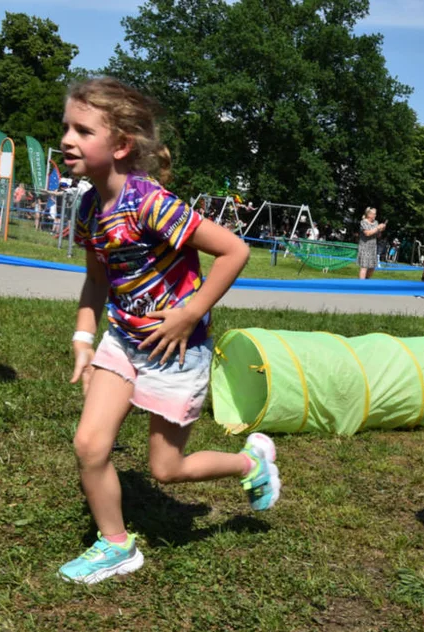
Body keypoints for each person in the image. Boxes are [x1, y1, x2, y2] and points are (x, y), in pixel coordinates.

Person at [58, 77, 280, 584]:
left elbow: (234, 251)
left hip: (178, 351)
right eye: (66, 127)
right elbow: (96, 280)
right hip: (124, 341)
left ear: (120, 145)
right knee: (90, 446)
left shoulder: (151, 202)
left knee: (166, 469)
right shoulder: (89, 209)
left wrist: (188, 312)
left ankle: (251, 463)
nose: (68, 139)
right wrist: (83, 339)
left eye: (82, 130)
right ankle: (116, 545)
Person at [357, 207, 385, 280]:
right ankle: (361, 285)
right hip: (364, 247)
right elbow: (367, 233)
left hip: (373, 247)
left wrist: (381, 230)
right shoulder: (363, 222)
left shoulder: (376, 222)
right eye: (374, 214)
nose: (375, 215)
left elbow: (378, 235)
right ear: (369, 214)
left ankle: (366, 280)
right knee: (364, 266)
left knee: (372, 267)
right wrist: (378, 228)